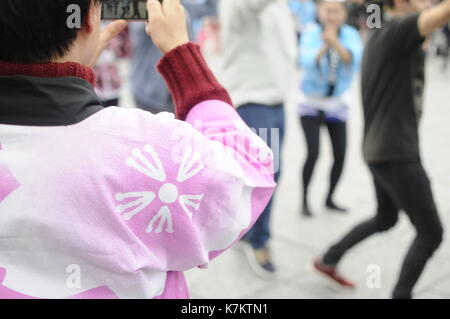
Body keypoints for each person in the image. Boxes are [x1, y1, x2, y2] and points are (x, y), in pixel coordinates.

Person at [0, 0, 275, 299]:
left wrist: (63, 72)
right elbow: (246, 173)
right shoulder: (146, 150)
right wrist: (181, 54)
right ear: (90, 20)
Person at [312, 0, 450, 299]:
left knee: (386, 218)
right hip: (397, 154)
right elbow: (441, 14)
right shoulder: (397, 30)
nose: (430, 3)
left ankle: (329, 258)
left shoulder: (382, 33)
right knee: (431, 232)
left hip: (380, 150)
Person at [219, 0, 298, 276]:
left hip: (275, 99)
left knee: (264, 174)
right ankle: (258, 240)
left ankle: (245, 233)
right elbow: (250, 7)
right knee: (267, 176)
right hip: (255, 100)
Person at [297, 0, 363, 217]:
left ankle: (329, 197)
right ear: (320, 12)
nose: (332, 16)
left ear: (344, 14)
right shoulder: (310, 32)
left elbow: (353, 61)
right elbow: (306, 61)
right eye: (328, 11)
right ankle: (305, 199)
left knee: (341, 154)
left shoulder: (351, 34)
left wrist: (335, 43)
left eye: (336, 11)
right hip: (311, 103)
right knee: (313, 153)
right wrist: (325, 44)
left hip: (337, 104)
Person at [129, 0, 218, 114]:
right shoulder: (143, 8)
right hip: (149, 92)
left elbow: (210, 9)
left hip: (180, 91)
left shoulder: (182, 6)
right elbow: (141, 26)